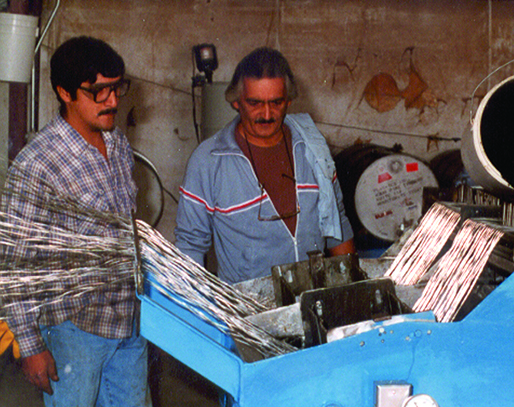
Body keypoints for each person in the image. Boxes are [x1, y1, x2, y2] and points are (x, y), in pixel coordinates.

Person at [0, 36, 148, 406]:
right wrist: (30, 346)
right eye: (98, 91)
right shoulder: (37, 164)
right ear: (65, 93)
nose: (112, 101)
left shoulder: (117, 144)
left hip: (129, 321)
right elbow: (14, 266)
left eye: (116, 88)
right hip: (73, 330)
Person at [175, 47, 355, 285]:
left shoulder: (312, 147)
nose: (267, 114)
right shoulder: (208, 161)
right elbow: (190, 246)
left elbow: (336, 222)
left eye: (276, 102)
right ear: (236, 102)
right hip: (246, 304)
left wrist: (353, 289)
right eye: (255, 103)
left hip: (312, 296)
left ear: (288, 100)